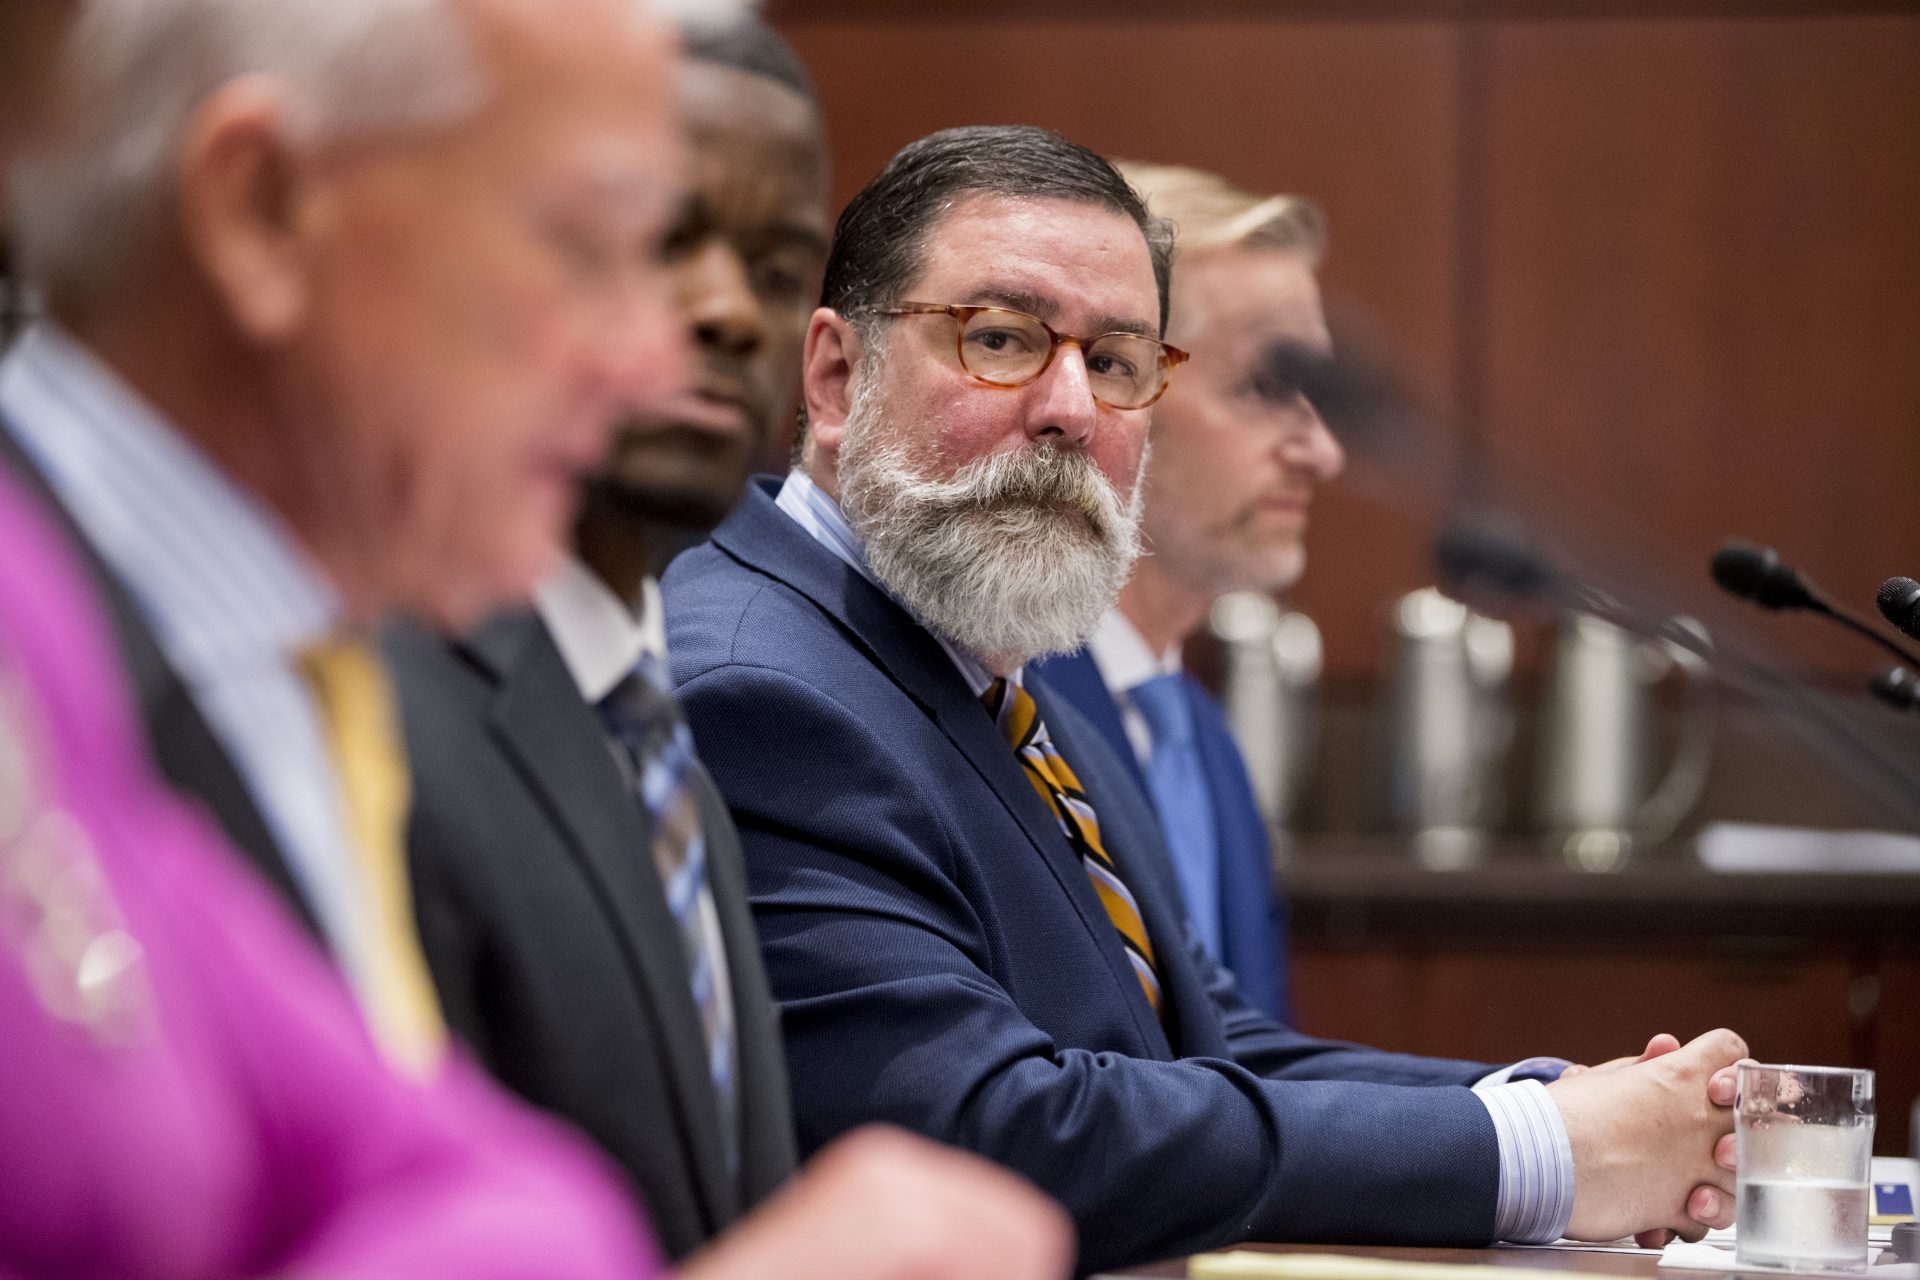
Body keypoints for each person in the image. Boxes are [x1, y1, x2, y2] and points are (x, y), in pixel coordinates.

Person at [0, 4, 1072, 1278]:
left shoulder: (245, 660)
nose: (646, 354)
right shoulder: (58, 637)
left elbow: (494, 1187)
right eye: (589, 245)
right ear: (266, 209)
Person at [663, 124, 1745, 1275]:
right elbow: (986, 1135)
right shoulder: (763, 691)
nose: (1071, 408)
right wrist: (1539, 1148)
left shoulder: (1002, 687)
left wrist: (1573, 1105)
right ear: (836, 378)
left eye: (1120, 360)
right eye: (1000, 339)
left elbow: (1208, 1052)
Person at [388, 13, 832, 1258]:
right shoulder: (389, 707)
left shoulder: (659, 732)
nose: (728, 309)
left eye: (778, 261)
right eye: (663, 238)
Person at [1032, 163, 1344, 1022]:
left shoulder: (1203, 737)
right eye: (1265, 387)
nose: (1322, 453)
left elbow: (1259, 1080)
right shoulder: (1003, 712)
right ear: (1114, 388)